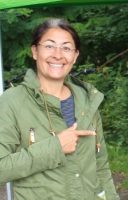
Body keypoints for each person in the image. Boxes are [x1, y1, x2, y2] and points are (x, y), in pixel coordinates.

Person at [0, 18, 119, 200]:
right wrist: (55, 148)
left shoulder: (88, 100)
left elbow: (101, 165)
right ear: (34, 51)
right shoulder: (12, 101)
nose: (58, 55)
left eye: (66, 48)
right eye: (49, 46)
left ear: (75, 55)